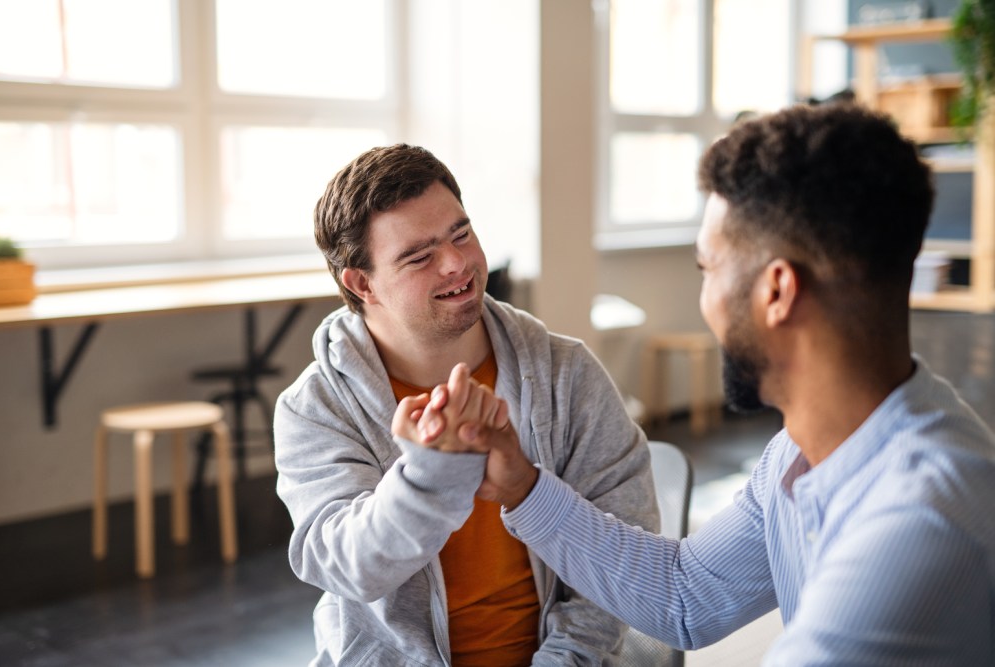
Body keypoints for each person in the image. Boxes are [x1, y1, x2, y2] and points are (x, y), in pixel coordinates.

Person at [397, 104, 995, 664]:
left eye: (707, 269)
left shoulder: (920, 522)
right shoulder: (803, 451)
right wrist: (523, 486)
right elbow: (687, 595)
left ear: (777, 292)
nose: (703, 297)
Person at [273, 143, 660, 666]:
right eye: (420, 256)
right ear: (363, 283)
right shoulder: (315, 407)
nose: (458, 263)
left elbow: (620, 554)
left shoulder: (566, 373)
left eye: (462, 234)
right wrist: (432, 473)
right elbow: (350, 566)